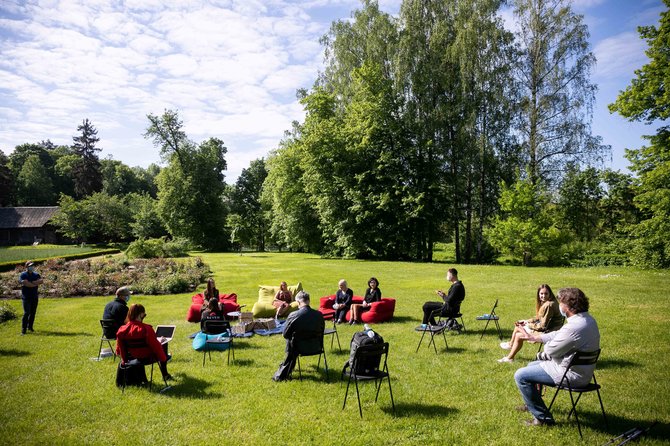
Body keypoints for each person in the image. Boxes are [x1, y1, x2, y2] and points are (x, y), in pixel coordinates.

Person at [514, 288, 600, 427]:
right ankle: (531, 404)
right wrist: (536, 337)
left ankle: (543, 419)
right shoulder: (587, 320)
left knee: (520, 375)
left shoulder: (574, 327)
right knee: (531, 366)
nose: (559, 305)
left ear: (567, 306)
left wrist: (544, 344)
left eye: (560, 303)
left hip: (571, 375)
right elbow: (559, 334)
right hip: (583, 371)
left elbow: (551, 350)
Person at [498, 284, 563, 363]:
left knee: (518, 335)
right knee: (518, 325)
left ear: (550, 293)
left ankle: (509, 358)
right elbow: (539, 317)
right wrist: (526, 321)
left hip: (548, 331)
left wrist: (529, 325)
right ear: (538, 294)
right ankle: (511, 345)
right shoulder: (550, 302)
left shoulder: (548, 305)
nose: (543, 296)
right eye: (541, 294)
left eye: (546, 293)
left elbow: (542, 326)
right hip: (551, 328)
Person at [272, 291, 325, 382]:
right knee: (293, 339)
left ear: (299, 302)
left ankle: (286, 368)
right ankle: (288, 365)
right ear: (308, 301)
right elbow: (322, 330)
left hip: (298, 349)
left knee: (290, 340)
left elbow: (285, 334)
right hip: (316, 346)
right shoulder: (319, 315)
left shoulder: (293, 315)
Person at [116, 303, 172, 381]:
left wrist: (124, 361)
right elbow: (156, 347)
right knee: (163, 343)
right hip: (148, 357)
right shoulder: (146, 329)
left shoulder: (122, 330)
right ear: (141, 314)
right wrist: (163, 358)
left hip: (132, 357)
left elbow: (119, 349)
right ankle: (165, 374)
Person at [19, 260, 43, 335]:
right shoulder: (23, 275)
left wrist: (31, 283)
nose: (32, 267)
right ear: (27, 267)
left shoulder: (36, 274)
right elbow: (25, 283)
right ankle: (23, 329)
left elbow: (41, 281)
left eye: (33, 266)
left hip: (34, 297)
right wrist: (34, 283)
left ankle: (30, 327)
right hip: (26, 297)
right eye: (30, 266)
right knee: (26, 313)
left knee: (33, 313)